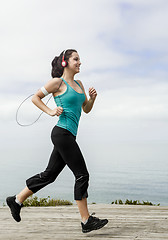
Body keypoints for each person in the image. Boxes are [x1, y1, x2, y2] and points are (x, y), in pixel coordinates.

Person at [6, 49, 108, 233]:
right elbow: (36, 98)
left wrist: (92, 99)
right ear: (65, 62)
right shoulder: (57, 83)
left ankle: (16, 200)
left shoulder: (79, 84)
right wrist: (50, 111)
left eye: (80, 59)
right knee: (82, 175)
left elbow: (86, 109)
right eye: (76, 59)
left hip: (69, 135)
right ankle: (86, 221)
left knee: (49, 175)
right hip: (62, 133)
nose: (80, 62)